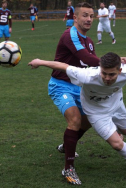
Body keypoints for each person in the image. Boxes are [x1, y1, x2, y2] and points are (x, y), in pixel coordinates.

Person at [28, 52, 126, 181]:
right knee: (117, 144)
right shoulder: (87, 75)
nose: (107, 78)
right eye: (104, 73)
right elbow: (63, 66)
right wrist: (40, 61)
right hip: (96, 113)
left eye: (112, 74)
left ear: (120, 71)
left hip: (117, 106)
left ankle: (115, 129)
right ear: (100, 68)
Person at [38, 2, 101, 185]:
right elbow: (86, 58)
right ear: (75, 17)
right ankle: (68, 167)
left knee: (88, 121)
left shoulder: (89, 41)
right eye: (85, 15)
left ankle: (66, 145)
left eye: (91, 16)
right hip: (61, 85)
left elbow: (92, 64)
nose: (89, 19)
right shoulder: (70, 34)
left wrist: (109, 63)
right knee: (74, 120)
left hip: (79, 87)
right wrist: (111, 63)